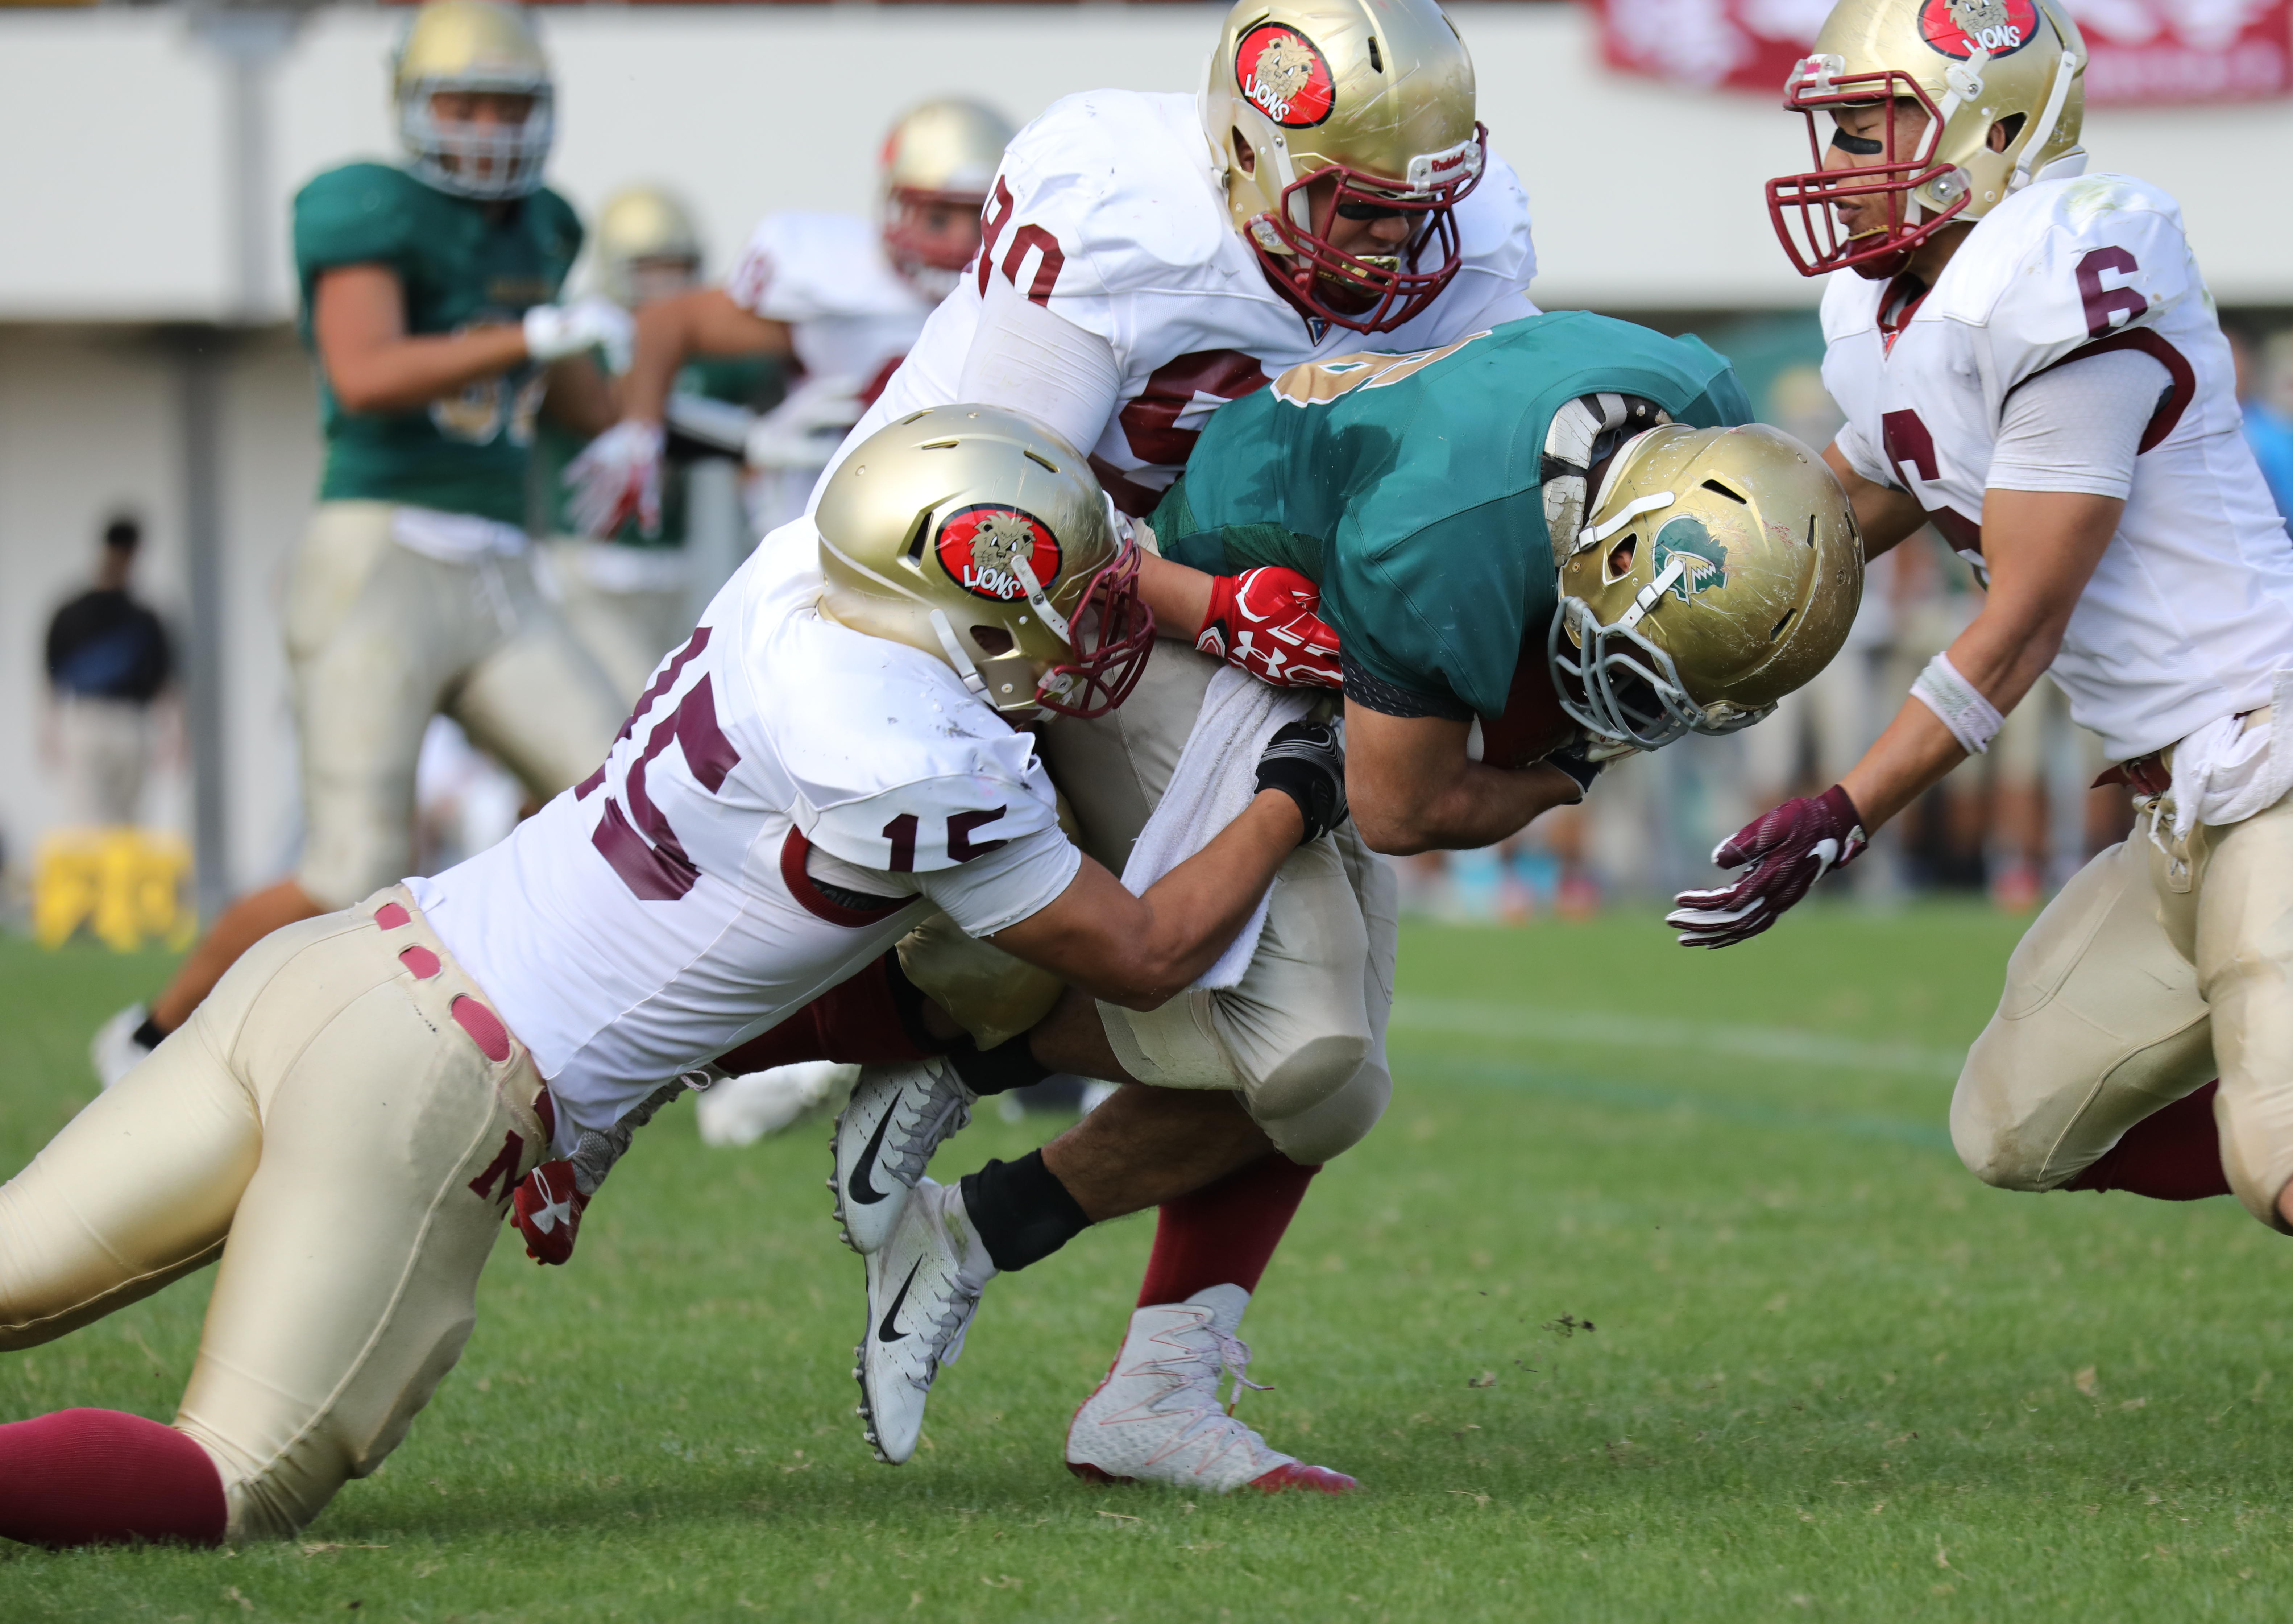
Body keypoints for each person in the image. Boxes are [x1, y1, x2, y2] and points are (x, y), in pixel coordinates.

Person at [0, 406, 1349, 1550]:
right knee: (239, 1475)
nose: (1085, 633)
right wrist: (1296, 783)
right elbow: (1149, 947)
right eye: (1055, 614)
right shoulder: (919, 758)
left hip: (338, 962)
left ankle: (931, 1060)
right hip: (434, 1083)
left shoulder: (796, 571)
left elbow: (1012, 608)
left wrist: (1199, 604)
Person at [828, 316, 1863, 1487]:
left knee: (1332, 1085)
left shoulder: (1703, 420)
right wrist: (1573, 766)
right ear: (1614, 546)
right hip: (1205, 627)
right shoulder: (1452, 535)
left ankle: (1100, 1344)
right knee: (1312, 1060)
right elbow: (1403, 808)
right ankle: (954, 1053)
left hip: (1325, 619)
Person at [1680, 0, 2293, 1550]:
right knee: (2016, 1122)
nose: (1839, 158)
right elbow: (1850, 496)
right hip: (2178, 812)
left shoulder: (2064, 269)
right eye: (1834, 123)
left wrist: (1841, 809)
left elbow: (2019, 615)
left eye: (1872, 122)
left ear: (1993, 123)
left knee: (2285, 1140)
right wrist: (1674, 570)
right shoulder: (1894, 305)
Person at [784, 0, 1539, 1490]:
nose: (1397, 250)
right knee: (1285, 1032)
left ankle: (1092, 1325)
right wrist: (1216, 600)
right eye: (1362, 210)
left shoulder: (1471, 240)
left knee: (1329, 1076)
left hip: (1250, 626)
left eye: (1421, 208)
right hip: (1017, 598)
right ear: (1253, 160)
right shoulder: (1122, 200)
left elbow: (1458, 476)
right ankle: (932, 1032)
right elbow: (997, 508)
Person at [90, 0, 635, 1087]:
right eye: (463, 100)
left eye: (507, 102)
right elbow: (366, 370)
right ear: (412, 105)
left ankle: (552, 1030)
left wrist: (656, 422)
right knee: (351, 864)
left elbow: (582, 395)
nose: (485, 125)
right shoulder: (369, 207)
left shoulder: (544, 225)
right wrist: (528, 332)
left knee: (626, 803)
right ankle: (149, 1038)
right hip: (380, 560)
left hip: (498, 569)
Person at [567, 99, 1015, 546]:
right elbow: (667, 323)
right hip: (824, 538)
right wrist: (640, 433)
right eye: (939, 217)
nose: (960, 241)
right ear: (896, 205)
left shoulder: (1026, 296)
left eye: (977, 218)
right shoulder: (835, 281)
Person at [532, 183, 785, 697]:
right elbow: (605, 415)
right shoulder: (585, 342)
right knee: (623, 715)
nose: (666, 286)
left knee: (670, 709)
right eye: (650, 269)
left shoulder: (710, 352)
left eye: (678, 268)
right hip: (586, 566)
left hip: (677, 565)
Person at [42, 515, 175, 829]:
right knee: (86, 823)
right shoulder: (73, 612)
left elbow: (164, 679)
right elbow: (52, 675)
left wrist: (173, 730)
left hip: (131, 721)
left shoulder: (144, 617)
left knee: (128, 823)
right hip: (88, 719)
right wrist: (50, 728)